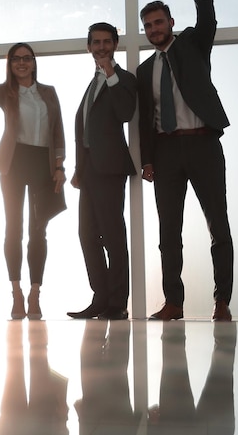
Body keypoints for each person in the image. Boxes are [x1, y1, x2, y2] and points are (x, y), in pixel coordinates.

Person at [137, 0, 234, 322]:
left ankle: (222, 300)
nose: (153, 29)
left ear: (171, 23)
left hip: (203, 144)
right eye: (147, 25)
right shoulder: (145, 70)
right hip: (166, 152)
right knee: (168, 232)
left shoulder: (193, 43)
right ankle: (173, 303)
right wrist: (148, 159)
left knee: (217, 224)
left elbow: (208, 20)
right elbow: (146, 121)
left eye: (159, 22)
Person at [0, 26, 66, 320]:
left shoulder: (49, 93)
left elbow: (59, 132)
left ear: (34, 62)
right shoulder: (6, 93)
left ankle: (35, 294)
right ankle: (16, 293)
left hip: (43, 163)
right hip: (13, 163)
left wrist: (60, 166)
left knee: (39, 230)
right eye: (16, 59)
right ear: (10, 65)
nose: (22, 63)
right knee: (13, 228)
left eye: (26, 58)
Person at [67, 22, 137, 321]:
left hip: (110, 169)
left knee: (113, 235)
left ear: (115, 45)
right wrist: (78, 169)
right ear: (88, 47)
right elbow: (85, 129)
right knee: (86, 233)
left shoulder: (123, 80)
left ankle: (117, 303)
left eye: (107, 42)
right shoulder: (92, 82)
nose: (101, 47)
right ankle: (101, 297)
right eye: (96, 42)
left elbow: (125, 113)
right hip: (89, 172)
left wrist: (110, 74)